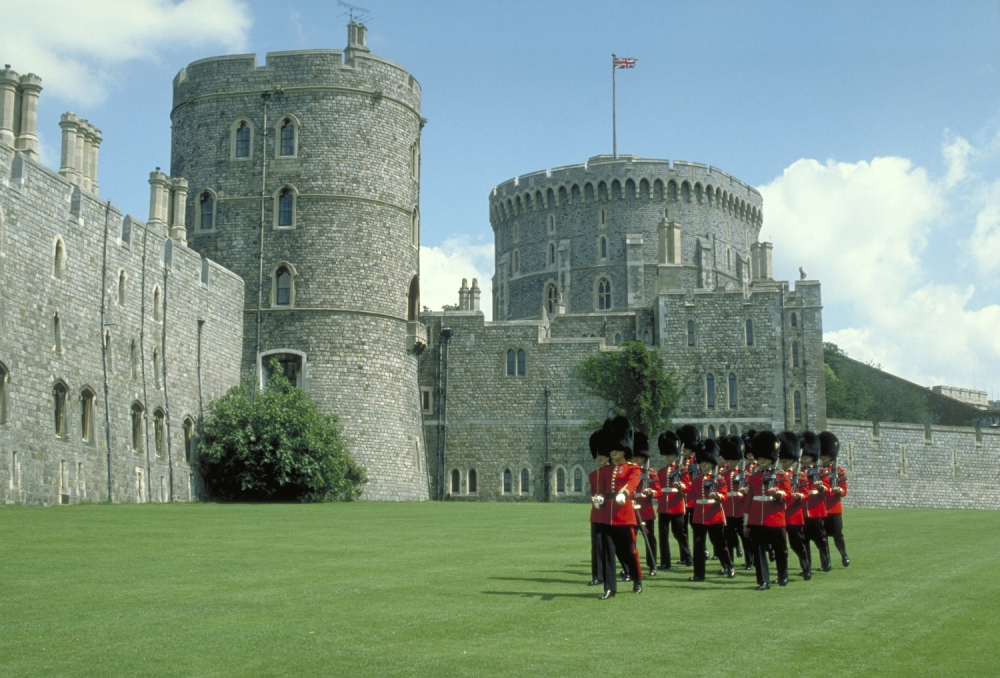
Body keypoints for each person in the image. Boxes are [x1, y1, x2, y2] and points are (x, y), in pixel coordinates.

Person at [593, 415, 643, 599]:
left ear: (624, 449)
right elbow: (601, 490)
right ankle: (610, 588)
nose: (613, 452)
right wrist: (598, 498)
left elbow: (632, 483)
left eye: (617, 449)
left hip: (625, 514)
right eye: (611, 449)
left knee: (629, 551)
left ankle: (637, 579)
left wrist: (624, 493)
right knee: (608, 553)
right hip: (607, 516)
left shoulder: (633, 468)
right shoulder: (605, 470)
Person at [743, 430, 792, 590]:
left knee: (780, 550)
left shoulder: (781, 475)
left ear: (771, 457)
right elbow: (749, 499)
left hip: (775, 518)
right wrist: (746, 521)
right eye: (760, 457)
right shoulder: (754, 476)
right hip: (756, 519)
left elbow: (788, 495)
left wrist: (778, 494)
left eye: (764, 457)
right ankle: (763, 581)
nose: (761, 459)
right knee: (758, 552)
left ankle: (782, 575)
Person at [689, 439, 734, 581]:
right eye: (702, 462)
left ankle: (729, 565)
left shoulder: (719, 479)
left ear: (712, 463)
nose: (703, 465)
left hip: (714, 515)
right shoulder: (696, 480)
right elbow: (691, 497)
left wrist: (718, 496)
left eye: (706, 463)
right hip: (698, 516)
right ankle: (699, 574)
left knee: (719, 544)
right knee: (698, 547)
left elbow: (725, 496)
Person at [656, 430, 691, 569]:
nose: (667, 457)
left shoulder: (682, 470)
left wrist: (681, 485)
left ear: (675, 455)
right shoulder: (661, 471)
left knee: (679, 534)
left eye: (670, 454)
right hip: (663, 506)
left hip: (676, 505)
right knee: (663, 536)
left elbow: (688, 487)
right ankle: (665, 562)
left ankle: (687, 556)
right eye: (666, 454)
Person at [778, 431, 810, 581]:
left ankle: (805, 567)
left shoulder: (800, 475)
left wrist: (799, 496)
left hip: (794, 515)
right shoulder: (776, 475)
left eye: (787, 459)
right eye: (782, 459)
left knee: (797, 545)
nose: (784, 461)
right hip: (778, 514)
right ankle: (782, 575)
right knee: (780, 547)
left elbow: (805, 492)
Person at [800, 431, 832, 573]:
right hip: (801, 512)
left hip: (816, 510)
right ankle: (807, 567)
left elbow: (827, 490)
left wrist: (820, 488)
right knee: (804, 542)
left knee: (821, 540)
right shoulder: (797, 472)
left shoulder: (821, 471)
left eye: (806, 456)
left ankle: (826, 563)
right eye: (803, 456)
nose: (804, 458)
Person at [720, 435, 753, 571]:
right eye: (729, 460)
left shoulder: (746, 474)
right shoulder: (722, 475)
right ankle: (729, 563)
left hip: (740, 510)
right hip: (727, 511)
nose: (731, 462)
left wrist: (746, 492)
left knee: (745, 539)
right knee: (728, 540)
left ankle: (750, 562)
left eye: (734, 460)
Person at [632, 432, 661, 576]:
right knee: (631, 541)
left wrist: (651, 493)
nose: (637, 459)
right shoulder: (628, 472)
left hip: (646, 511)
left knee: (650, 540)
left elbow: (658, 492)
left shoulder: (651, 473)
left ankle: (652, 565)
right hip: (631, 511)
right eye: (635, 456)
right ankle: (631, 567)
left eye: (639, 457)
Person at [820, 431, 850, 567]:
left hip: (834, 508)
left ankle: (844, 554)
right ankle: (826, 562)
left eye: (826, 454)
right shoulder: (817, 471)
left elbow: (844, 489)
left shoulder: (839, 471)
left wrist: (840, 490)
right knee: (822, 537)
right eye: (822, 454)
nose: (823, 456)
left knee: (838, 535)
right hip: (820, 508)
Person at [677, 424, 702, 566]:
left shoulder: (697, 462)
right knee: (682, 530)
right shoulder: (679, 463)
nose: (683, 451)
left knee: (697, 529)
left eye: (685, 448)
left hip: (694, 500)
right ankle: (685, 556)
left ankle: (702, 550)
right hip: (682, 501)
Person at [587, 429, 609, 586]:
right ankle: (597, 576)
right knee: (596, 547)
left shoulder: (612, 472)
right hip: (596, 514)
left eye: (603, 454)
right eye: (598, 454)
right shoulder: (593, 475)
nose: (600, 457)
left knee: (611, 547)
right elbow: (592, 493)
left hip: (610, 513)